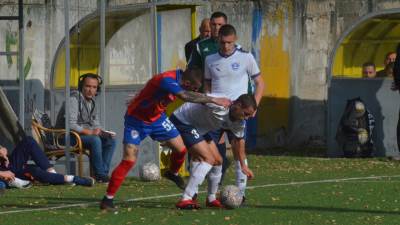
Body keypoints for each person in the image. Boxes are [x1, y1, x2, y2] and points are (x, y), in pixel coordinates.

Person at [99, 67, 231, 211]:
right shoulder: (168, 79)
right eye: (194, 88)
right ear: (186, 83)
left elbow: (152, 89)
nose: (196, 92)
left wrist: (140, 96)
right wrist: (214, 99)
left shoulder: (180, 79)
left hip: (158, 119)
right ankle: (108, 199)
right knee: (129, 160)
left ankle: (172, 173)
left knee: (181, 149)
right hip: (136, 120)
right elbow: (185, 96)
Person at [203, 24, 265, 191]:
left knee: (239, 153)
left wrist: (254, 106)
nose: (226, 46)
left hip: (238, 113)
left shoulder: (246, 57)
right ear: (218, 41)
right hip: (216, 114)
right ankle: (211, 195)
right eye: (222, 42)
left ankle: (241, 194)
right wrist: (210, 102)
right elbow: (207, 86)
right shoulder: (210, 59)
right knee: (214, 154)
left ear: (234, 40)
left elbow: (260, 83)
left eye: (229, 42)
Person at [170, 94, 257, 209]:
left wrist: (243, 166)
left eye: (249, 116)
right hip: (183, 121)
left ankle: (211, 198)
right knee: (208, 159)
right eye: (246, 114)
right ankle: (186, 198)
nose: (246, 118)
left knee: (218, 161)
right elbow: (195, 97)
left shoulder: (240, 122)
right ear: (238, 105)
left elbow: (239, 143)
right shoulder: (220, 105)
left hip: (200, 128)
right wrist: (212, 99)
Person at [56, 73, 116, 183]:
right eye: (87, 86)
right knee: (95, 140)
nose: (91, 90)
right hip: (65, 136)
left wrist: (103, 132)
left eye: (94, 87)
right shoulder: (73, 99)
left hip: (81, 136)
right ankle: (100, 174)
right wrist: (91, 132)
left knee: (110, 140)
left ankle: (103, 174)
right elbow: (71, 125)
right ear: (81, 87)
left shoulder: (92, 103)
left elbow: (96, 124)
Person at [0, 136, 94, 187]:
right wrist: (2, 173)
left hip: (7, 165)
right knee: (34, 171)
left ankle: (53, 174)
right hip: (3, 173)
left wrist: (2, 150)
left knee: (28, 141)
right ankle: (71, 179)